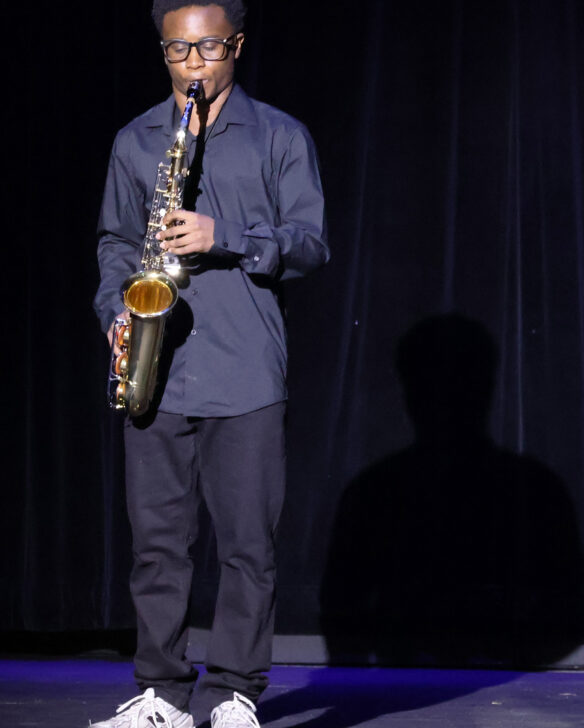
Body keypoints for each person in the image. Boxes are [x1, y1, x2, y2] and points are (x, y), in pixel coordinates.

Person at [91, 1, 328, 727]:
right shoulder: (136, 140)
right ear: (162, 50)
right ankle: (161, 694)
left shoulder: (280, 135)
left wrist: (221, 235)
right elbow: (114, 242)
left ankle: (233, 693)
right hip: (158, 369)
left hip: (245, 370)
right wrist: (117, 311)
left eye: (209, 48)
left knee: (247, 548)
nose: (193, 65)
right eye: (178, 51)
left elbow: (310, 244)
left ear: (238, 46)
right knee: (156, 548)